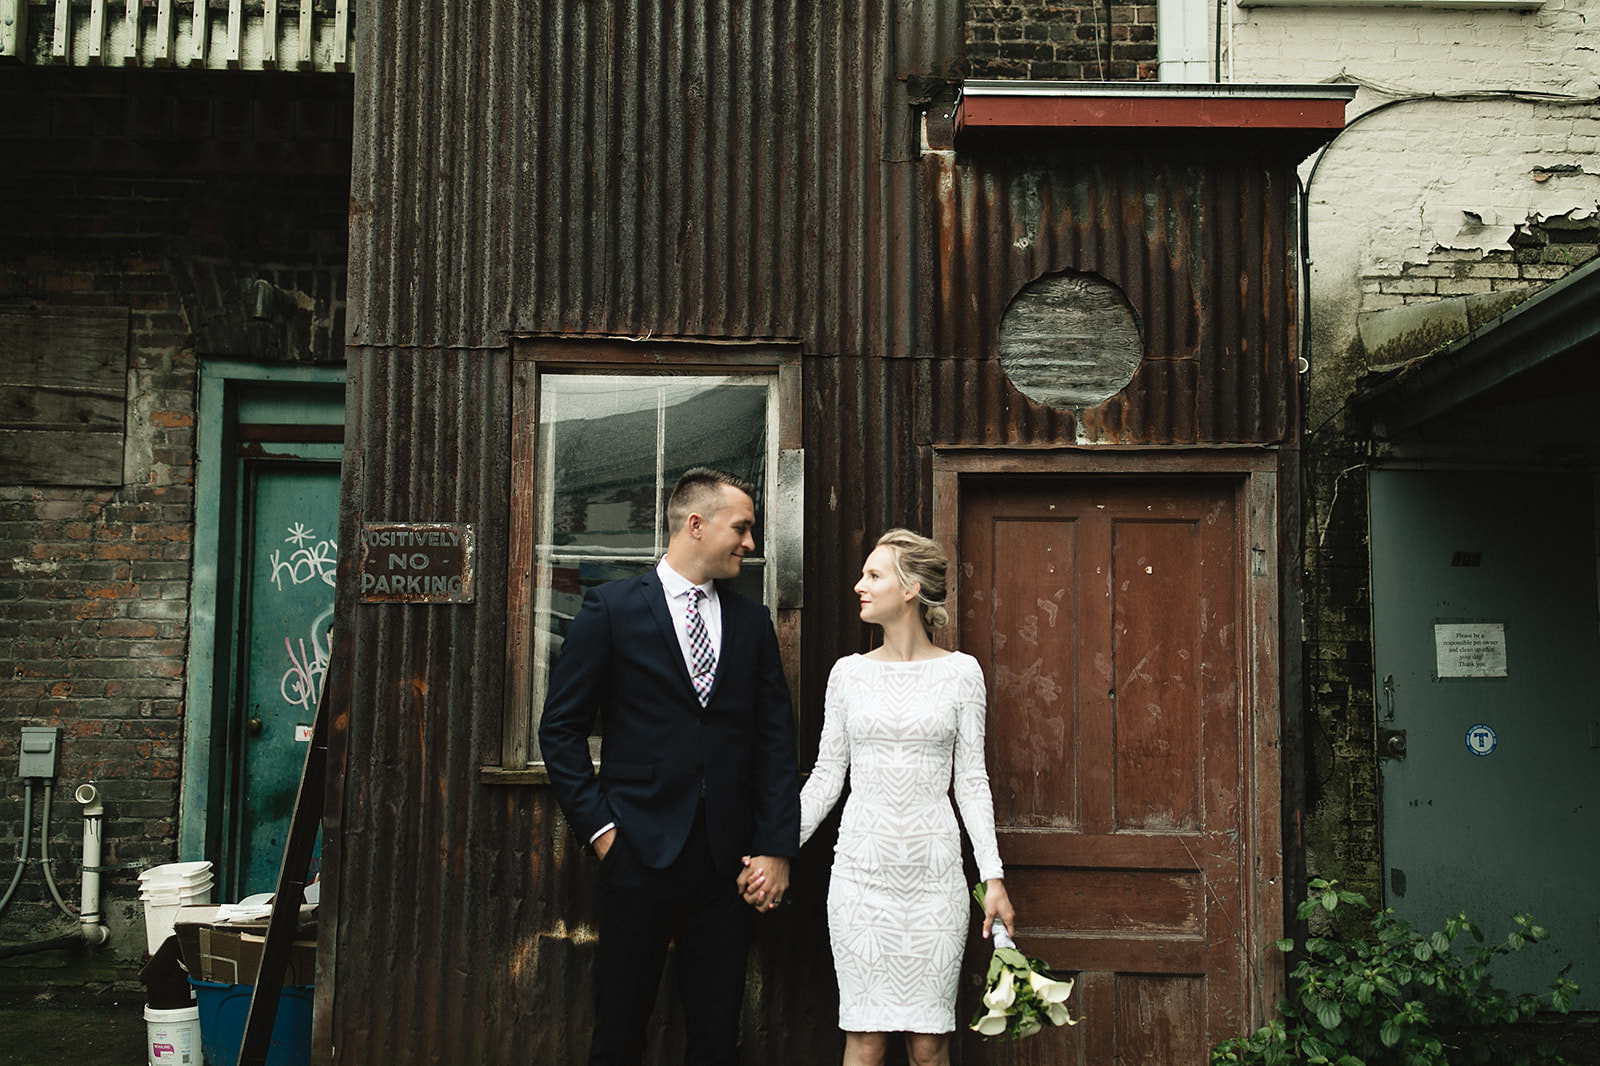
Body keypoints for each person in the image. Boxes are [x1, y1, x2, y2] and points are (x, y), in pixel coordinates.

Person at [539, 467, 801, 1066]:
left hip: (727, 863)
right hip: (636, 855)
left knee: (716, 1035)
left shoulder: (750, 623)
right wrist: (604, 834)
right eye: (742, 528)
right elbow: (559, 729)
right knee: (619, 1030)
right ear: (695, 524)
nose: (750, 543)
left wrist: (775, 847)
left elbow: (775, 742)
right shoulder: (611, 609)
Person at [742, 529, 1015, 1066]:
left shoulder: (962, 674)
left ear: (911, 588)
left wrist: (993, 877)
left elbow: (972, 783)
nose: (858, 585)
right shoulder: (848, 675)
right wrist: (775, 845)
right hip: (861, 882)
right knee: (864, 1040)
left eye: (873, 575)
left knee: (930, 1046)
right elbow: (825, 778)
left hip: (935, 883)